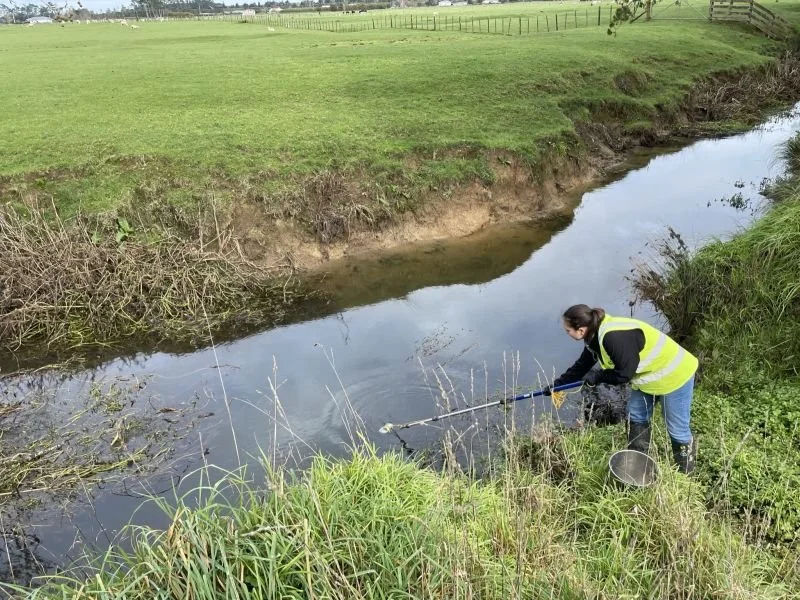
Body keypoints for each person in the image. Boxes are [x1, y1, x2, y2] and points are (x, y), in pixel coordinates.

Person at [548, 304, 699, 474]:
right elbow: (581, 366)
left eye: (568, 331)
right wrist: (557, 385)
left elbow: (624, 375)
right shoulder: (594, 337)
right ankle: (637, 464)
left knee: (677, 428)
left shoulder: (613, 338)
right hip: (650, 378)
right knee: (636, 414)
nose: (567, 334)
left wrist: (597, 377)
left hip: (675, 374)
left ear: (581, 330)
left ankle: (686, 473)